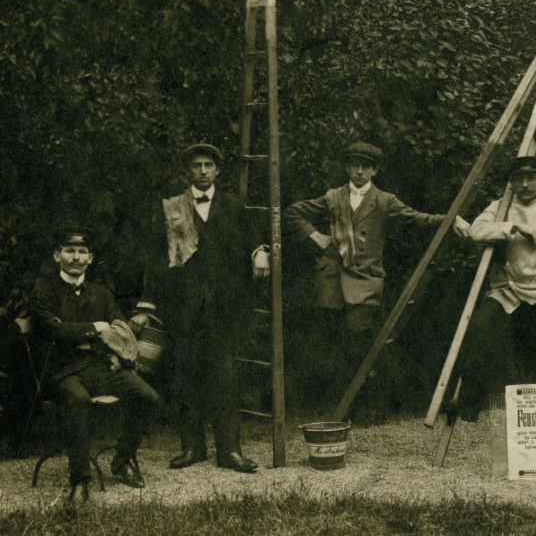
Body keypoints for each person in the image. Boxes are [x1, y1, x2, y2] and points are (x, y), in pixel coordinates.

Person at [284, 142, 470, 411]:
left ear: (375, 170)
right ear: (347, 167)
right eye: (354, 165)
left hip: (365, 280)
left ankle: (359, 406)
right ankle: (334, 407)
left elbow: (419, 218)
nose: (359, 171)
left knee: (358, 340)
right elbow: (293, 213)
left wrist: (452, 220)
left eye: (365, 166)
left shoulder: (384, 200)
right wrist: (317, 237)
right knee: (332, 341)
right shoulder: (333, 197)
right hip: (332, 279)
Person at [131, 144, 268, 473]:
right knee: (185, 377)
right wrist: (147, 304)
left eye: (209, 165)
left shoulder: (233, 206)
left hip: (223, 310)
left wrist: (260, 252)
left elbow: (254, 239)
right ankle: (192, 447)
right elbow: (157, 259)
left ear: (218, 171)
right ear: (187, 172)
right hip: (183, 308)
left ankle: (230, 451)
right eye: (197, 166)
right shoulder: (172, 209)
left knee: (225, 377)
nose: (203, 171)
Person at [31, 226, 158, 505]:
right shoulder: (44, 293)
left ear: (90, 258)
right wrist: (94, 328)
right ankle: (80, 481)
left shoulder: (101, 294)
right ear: (57, 256)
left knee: (148, 397)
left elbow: (119, 327)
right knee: (78, 400)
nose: (76, 258)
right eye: (69, 251)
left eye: (81, 252)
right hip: (60, 373)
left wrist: (109, 344)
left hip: (100, 369)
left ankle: (122, 460)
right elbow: (53, 331)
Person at [452, 156, 536, 421]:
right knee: (478, 331)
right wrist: (513, 227)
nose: (525, 184)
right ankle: (470, 404)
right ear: (511, 182)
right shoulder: (500, 208)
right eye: (519, 179)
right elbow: (477, 231)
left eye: (531, 178)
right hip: (507, 291)